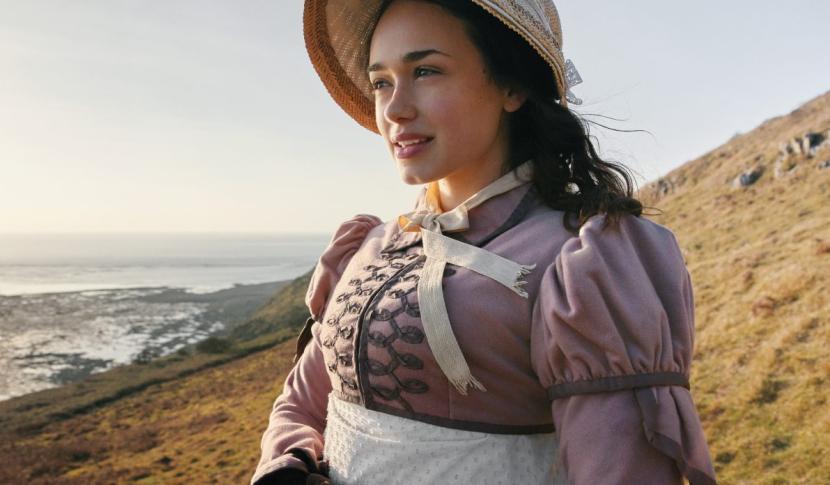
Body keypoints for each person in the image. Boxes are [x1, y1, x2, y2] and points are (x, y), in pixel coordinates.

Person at [252, 0, 717, 483]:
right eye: (381, 82)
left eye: (426, 71)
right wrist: (287, 465)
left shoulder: (580, 264)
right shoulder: (368, 245)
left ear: (512, 85)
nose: (395, 109)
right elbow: (303, 402)